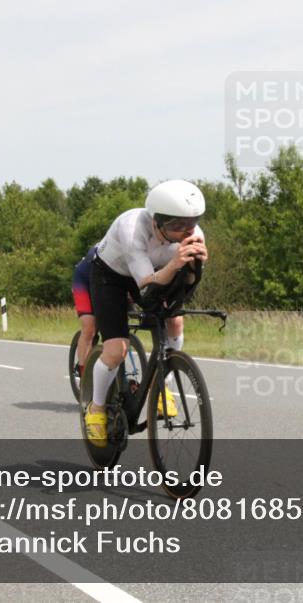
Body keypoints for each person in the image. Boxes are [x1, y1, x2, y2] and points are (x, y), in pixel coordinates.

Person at [85, 180, 208, 447]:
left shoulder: (193, 233)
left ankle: (161, 384)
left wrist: (194, 269)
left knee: (175, 321)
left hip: (157, 272)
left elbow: (183, 289)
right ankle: (95, 408)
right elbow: (146, 288)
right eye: (176, 226)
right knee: (116, 349)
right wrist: (176, 262)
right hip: (113, 276)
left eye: (191, 223)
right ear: (155, 221)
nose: (184, 232)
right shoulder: (132, 229)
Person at [71, 245, 99, 381]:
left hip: (104, 283)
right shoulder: (106, 249)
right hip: (83, 280)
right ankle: (84, 376)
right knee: (89, 328)